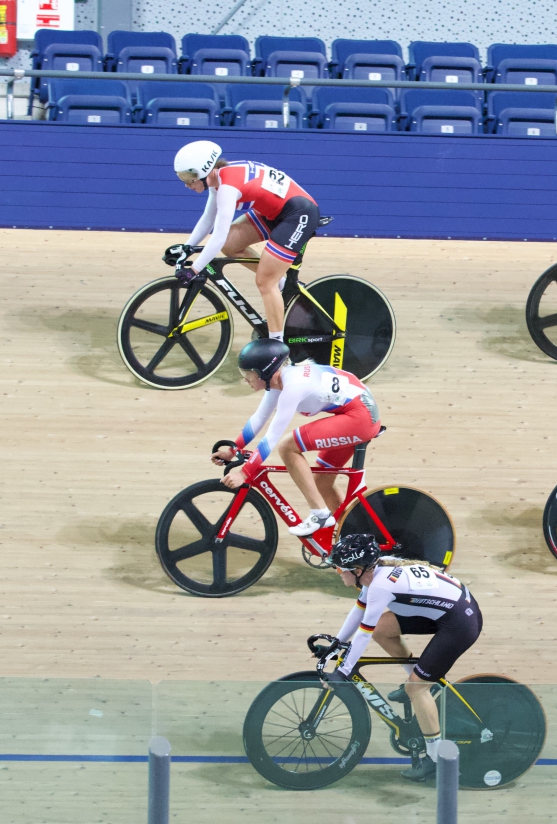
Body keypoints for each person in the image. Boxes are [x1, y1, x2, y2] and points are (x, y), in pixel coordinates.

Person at [321, 534, 482, 783]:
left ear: (357, 568)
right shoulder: (375, 572)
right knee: (383, 629)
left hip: (459, 622)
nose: (336, 571)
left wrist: (342, 672)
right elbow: (359, 611)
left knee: (416, 688)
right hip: (449, 609)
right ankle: (416, 679)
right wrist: (336, 644)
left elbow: (362, 634)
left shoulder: (380, 586)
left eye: (340, 567)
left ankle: (435, 759)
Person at [213, 339, 382, 537]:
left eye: (248, 374)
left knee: (287, 447)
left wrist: (244, 473)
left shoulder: (293, 386)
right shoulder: (278, 380)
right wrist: (233, 449)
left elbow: (272, 437)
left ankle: (319, 514)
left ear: (265, 372)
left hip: (360, 417)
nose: (245, 380)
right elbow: (258, 419)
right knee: (321, 482)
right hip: (357, 412)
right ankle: (354, 536)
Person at [171, 140, 320, 341]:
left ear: (205, 171)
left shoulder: (227, 186)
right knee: (230, 245)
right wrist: (186, 248)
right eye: (182, 178)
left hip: (298, 213)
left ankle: (276, 345)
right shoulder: (218, 178)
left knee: (265, 282)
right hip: (272, 212)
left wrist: (194, 269)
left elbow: (218, 234)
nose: (186, 184)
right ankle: (284, 283)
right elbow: (208, 219)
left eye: (189, 177)